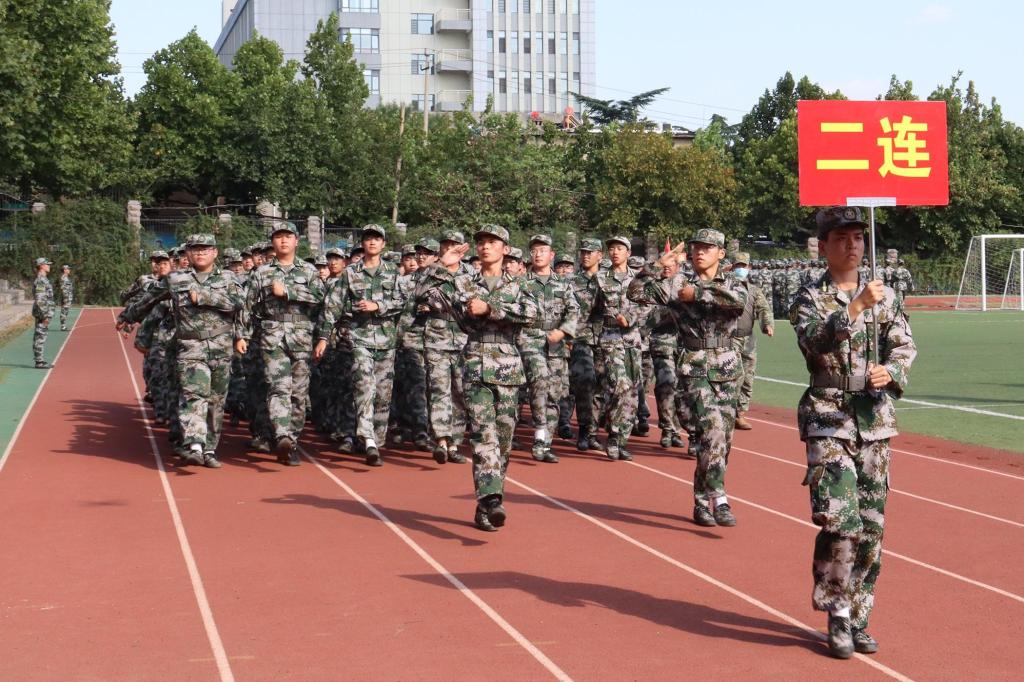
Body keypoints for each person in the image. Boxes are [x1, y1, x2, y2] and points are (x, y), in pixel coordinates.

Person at [792, 206, 917, 659]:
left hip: (874, 420)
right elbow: (813, 341)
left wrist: (892, 371)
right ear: (823, 246)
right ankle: (838, 611)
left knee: (871, 526)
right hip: (828, 418)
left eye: (858, 237)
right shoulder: (809, 297)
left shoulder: (887, 296)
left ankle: (859, 615)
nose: (852, 245)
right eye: (841, 238)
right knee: (839, 520)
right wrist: (856, 306)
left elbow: (904, 344)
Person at [416, 224, 537, 532]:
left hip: (508, 367)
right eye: (481, 241)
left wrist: (490, 308)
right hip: (475, 364)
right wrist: (441, 265)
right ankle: (492, 498)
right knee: (484, 434)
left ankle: (486, 504)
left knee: (503, 442)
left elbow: (530, 314)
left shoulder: (519, 284)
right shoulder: (464, 281)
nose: (485, 246)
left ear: (505, 249)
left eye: (492, 242)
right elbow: (421, 294)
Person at [629, 229, 748, 527]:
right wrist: (657, 265)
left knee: (722, 441)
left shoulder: (732, 282)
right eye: (696, 248)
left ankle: (701, 501)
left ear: (721, 253)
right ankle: (719, 497)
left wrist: (698, 294)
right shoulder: (676, 283)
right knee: (712, 431)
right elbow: (635, 292)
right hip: (694, 366)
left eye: (708, 248)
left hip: (728, 367)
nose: (700, 252)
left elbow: (737, 303)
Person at [118, 234, 244, 468]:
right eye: (195, 249)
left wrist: (205, 297)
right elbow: (149, 299)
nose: (200, 252)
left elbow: (238, 303)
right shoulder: (176, 279)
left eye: (205, 249)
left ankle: (209, 448)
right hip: (190, 347)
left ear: (215, 252)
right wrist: (128, 316)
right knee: (193, 394)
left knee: (216, 401)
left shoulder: (228, 278)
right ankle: (194, 444)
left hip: (221, 347)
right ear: (187, 254)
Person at [315, 224, 405, 467]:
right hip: (359, 338)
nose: (372, 242)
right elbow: (332, 306)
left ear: (383, 244)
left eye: (377, 239)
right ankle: (368, 439)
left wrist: (379, 306)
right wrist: (323, 338)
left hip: (386, 341)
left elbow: (403, 301)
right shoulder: (350, 273)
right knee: (364, 386)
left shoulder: (393, 271)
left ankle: (376, 440)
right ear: (362, 244)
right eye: (368, 239)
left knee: (383, 395)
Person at [237, 222, 326, 466]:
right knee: (278, 387)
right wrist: (242, 335)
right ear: (272, 242)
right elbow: (247, 306)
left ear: (297, 241)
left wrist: (288, 292)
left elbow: (322, 300)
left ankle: (291, 442)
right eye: (278, 237)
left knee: (298, 394)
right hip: (272, 336)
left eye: (288, 236)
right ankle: (282, 435)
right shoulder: (262, 272)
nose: (283, 241)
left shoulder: (309, 271)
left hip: (302, 337)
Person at [517, 234, 579, 463]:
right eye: (534, 250)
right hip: (530, 340)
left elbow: (574, 311)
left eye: (542, 250)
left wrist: (563, 331)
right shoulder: (521, 283)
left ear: (551, 255)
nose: (538, 254)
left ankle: (544, 442)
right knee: (539, 383)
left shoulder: (563, 284)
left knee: (555, 393)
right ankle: (538, 430)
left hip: (556, 344)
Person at [416, 230, 474, 465]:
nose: (449, 249)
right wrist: (441, 266)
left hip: (464, 339)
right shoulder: (431, 271)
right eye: (445, 245)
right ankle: (441, 439)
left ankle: (455, 443)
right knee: (439, 389)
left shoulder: (470, 273)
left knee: (460, 392)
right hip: (437, 338)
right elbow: (418, 292)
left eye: (454, 245)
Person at [587, 236, 642, 461]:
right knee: (620, 386)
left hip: (633, 339)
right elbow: (590, 309)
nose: (615, 252)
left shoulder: (638, 278)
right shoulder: (600, 278)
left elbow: (647, 306)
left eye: (620, 248)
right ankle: (613, 433)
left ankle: (620, 440)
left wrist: (631, 318)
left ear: (628, 253)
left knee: (632, 392)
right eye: (612, 248)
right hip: (610, 338)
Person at [729, 253, 774, 430]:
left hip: (748, 339)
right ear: (732, 267)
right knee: (731, 376)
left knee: (747, 377)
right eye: (737, 266)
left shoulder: (754, 290)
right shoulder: (725, 286)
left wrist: (767, 325)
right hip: (728, 339)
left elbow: (764, 309)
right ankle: (725, 411)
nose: (741, 269)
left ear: (749, 268)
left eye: (744, 266)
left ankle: (740, 414)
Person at [569, 238, 605, 451]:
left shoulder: (608, 280)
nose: (586, 255)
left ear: (600, 255)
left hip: (605, 339)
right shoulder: (572, 282)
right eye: (583, 252)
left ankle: (593, 431)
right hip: (580, 338)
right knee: (585, 381)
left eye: (590, 252)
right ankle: (584, 429)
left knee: (601, 386)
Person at [31, 257, 55, 369]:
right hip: (42, 314)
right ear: (41, 266)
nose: (49, 266)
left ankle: (39, 360)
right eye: (47, 264)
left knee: (41, 335)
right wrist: (45, 315)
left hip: (44, 312)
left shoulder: (43, 278)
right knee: (40, 336)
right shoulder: (41, 279)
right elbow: (40, 299)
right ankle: (39, 362)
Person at [58, 265, 74, 331]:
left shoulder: (67, 277)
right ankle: (63, 326)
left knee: (66, 311)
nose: (69, 270)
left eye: (69, 269)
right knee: (64, 311)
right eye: (68, 269)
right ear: (64, 270)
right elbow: (63, 288)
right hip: (66, 297)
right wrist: (65, 298)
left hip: (68, 297)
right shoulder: (63, 278)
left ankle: (64, 325)